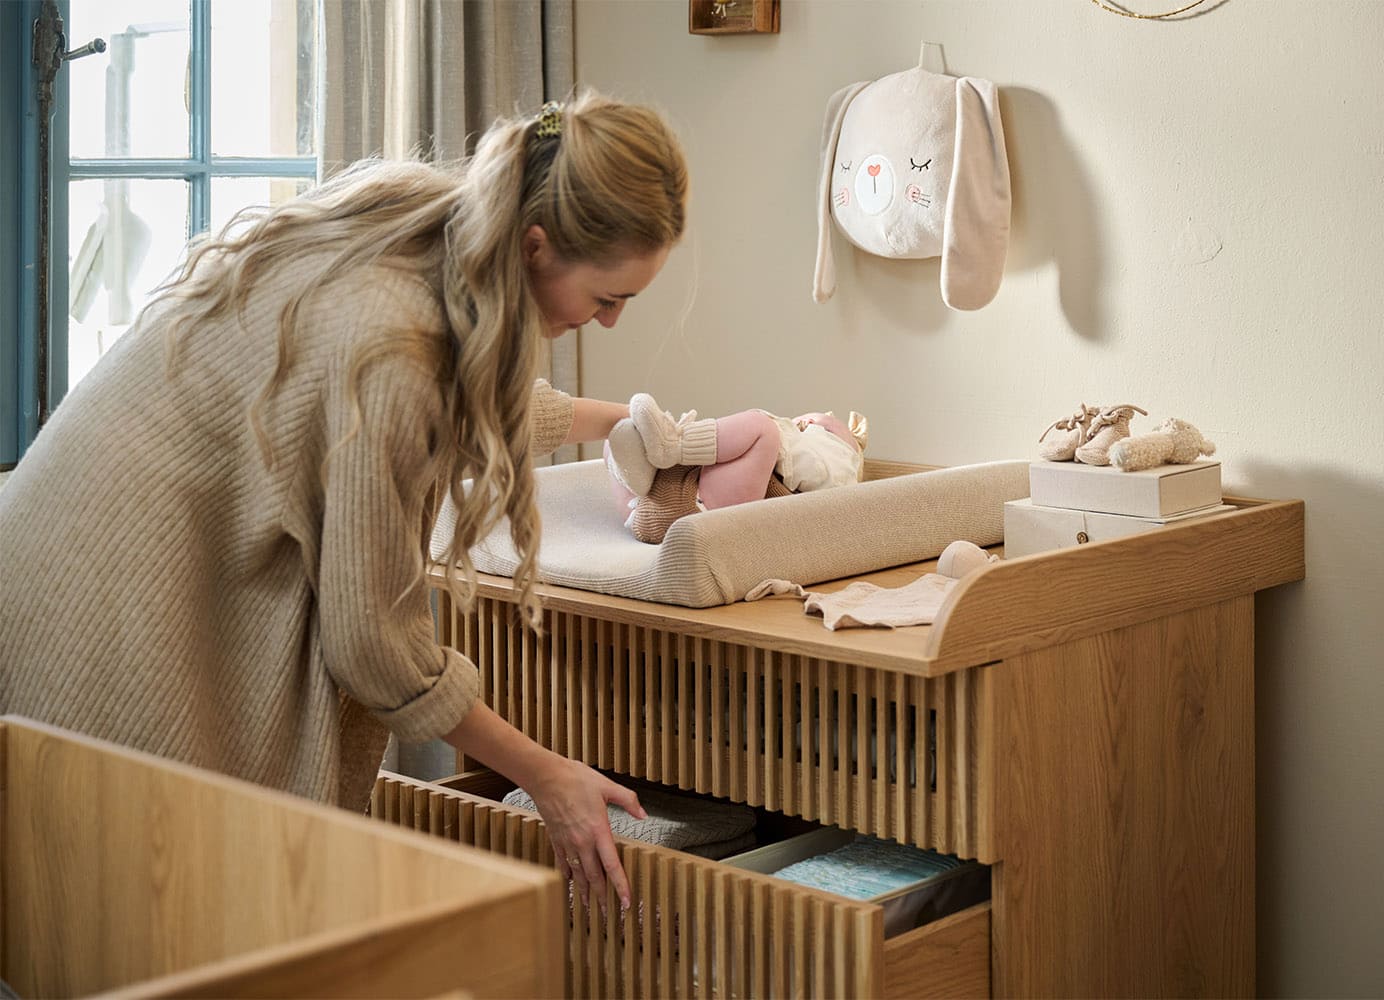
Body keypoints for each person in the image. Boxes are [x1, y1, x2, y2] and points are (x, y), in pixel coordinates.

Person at [0, 92, 687, 914]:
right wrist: (546, 773)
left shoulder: (429, 226)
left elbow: (461, 392)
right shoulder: (387, 343)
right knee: (149, 914)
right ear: (538, 249)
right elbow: (375, 647)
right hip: (100, 593)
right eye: (609, 297)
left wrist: (627, 425)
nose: (608, 321)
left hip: (55, 544)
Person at [602, 393, 868, 543]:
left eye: (819, 423)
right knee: (621, 433)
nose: (805, 422)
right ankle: (639, 470)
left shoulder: (838, 464)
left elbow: (830, 493)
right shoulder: (798, 451)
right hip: (655, 502)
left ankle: (671, 444)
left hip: (704, 511)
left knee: (761, 427)